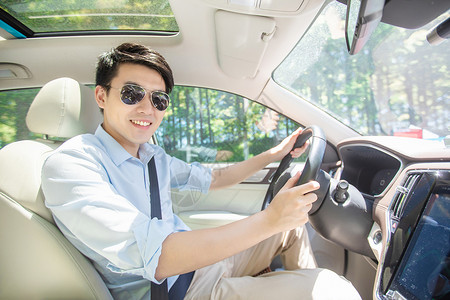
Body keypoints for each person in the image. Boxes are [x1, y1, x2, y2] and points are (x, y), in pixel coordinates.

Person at [41, 43, 361, 300]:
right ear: (101, 95)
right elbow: (158, 256)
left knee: (289, 230)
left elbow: (216, 178)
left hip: (201, 265)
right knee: (336, 290)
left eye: (159, 99)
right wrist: (269, 218)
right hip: (177, 291)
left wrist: (276, 153)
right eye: (131, 94)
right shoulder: (72, 165)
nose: (147, 108)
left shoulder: (153, 157)